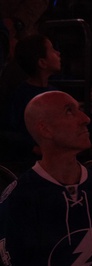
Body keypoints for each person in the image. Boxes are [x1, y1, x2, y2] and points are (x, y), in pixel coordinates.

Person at [0, 90, 92, 266]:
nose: (85, 119)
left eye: (80, 110)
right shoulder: (19, 199)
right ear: (45, 129)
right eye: (69, 111)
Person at [0, 33, 60, 169]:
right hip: (27, 163)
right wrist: (32, 147)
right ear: (42, 62)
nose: (58, 53)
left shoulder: (55, 92)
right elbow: (9, 130)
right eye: (52, 50)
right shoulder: (21, 95)